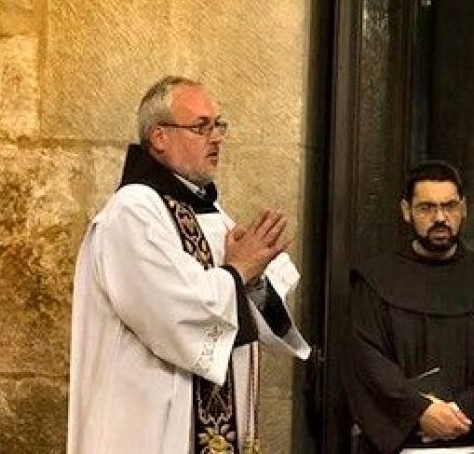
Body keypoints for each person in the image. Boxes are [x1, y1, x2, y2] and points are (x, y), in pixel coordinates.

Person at [67, 76, 310, 454]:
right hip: (148, 432)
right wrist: (239, 272)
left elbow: (246, 309)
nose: (217, 138)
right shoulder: (133, 213)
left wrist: (256, 279)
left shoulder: (210, 214)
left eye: (218, 125)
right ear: (160, 137)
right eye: (201, 127)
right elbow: (174, 312)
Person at [345, 160, 474, 454]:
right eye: (426, 208)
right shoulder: (374, 281)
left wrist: (458, 411)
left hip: (473, 443)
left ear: (464, 208)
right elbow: (368, 362)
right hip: (398, 446)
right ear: (407, 211)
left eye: (450, 206)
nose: (440, 217)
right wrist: (420, 411)